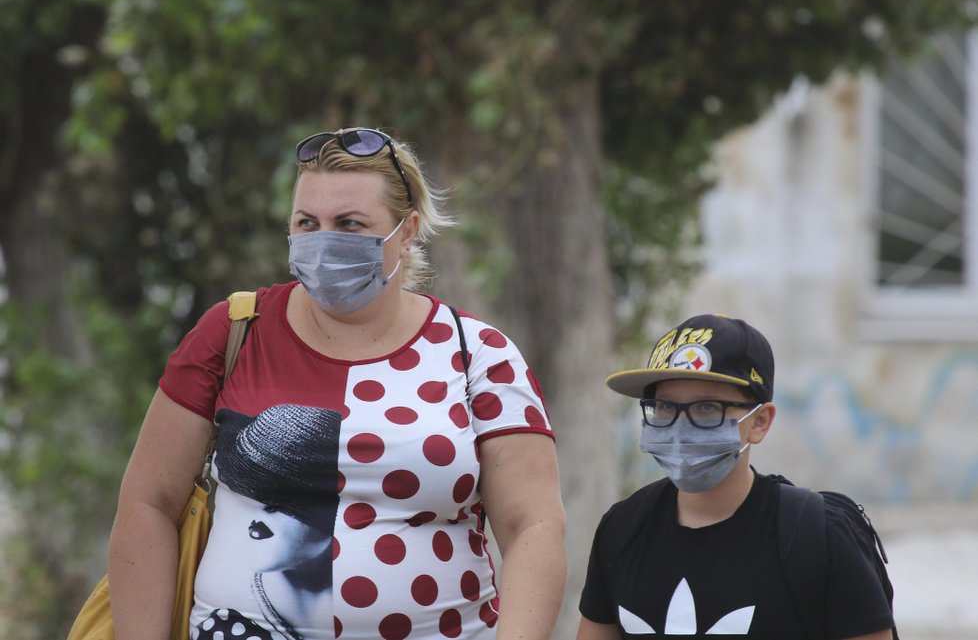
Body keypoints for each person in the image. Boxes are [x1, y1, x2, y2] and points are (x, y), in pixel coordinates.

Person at [107, 127, 566, 640]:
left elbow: (533, 527)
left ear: (407, 231)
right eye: (307, 223)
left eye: (350, 224)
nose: (324, 241)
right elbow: (149, 503)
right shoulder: (233, 330)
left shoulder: (477, 353)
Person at [576, 314, 895, 640]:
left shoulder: (820, 538)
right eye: (664, 407)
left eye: (706, 408)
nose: (679, 427)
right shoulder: (622, 529)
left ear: (760, 422)